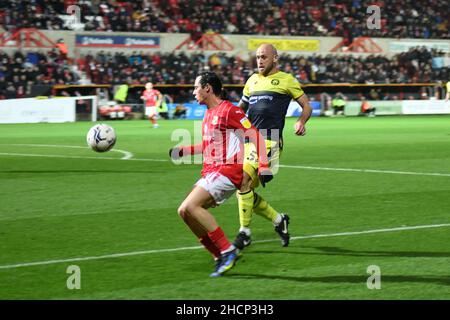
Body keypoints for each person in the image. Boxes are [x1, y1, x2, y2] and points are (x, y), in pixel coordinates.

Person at [169, 71, 273, 277]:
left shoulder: (230, 111)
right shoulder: (208, 114)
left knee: (191, 206)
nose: (193, 92)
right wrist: (185, 151)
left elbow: (255, 136)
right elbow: (209, 145)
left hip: (228, 170)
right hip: (212, 170)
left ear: (208, 88)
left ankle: (228, 250)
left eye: (196, 87)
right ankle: (218, 255)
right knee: (184, 211)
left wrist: (263, 166)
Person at [234, 43, 313, 250]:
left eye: (264, 57)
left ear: (275, 58)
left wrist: (301, 122)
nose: (259, 61)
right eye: (257, 57)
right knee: (244, 188)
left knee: (244, 182)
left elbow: (306, 105)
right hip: (250, 141)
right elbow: (240, 109)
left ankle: (244, 233)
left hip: (271, 140)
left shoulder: (287, 80)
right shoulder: (251, 81)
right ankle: (279, 220)